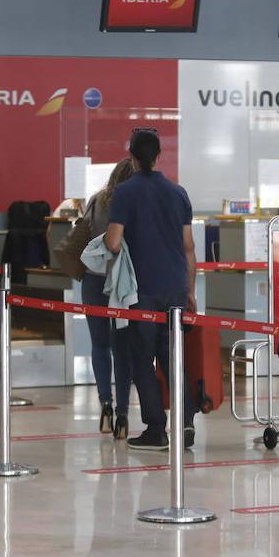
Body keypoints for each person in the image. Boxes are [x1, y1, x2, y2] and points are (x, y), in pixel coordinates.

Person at [105, 128, 198, 451]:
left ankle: (156, 429)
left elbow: (113, 242)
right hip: (175, 286)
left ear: (131, 157)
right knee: (173, 358)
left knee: (142, 359)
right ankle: (186, 422)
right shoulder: (178, 193)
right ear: (159, 156)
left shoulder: (125, 192)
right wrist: (190, 291)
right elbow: (188, 247)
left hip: (142, 291)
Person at [82, 159, 136, 439]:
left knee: (100, 344)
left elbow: (85, 233)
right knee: (122, 348)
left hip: (93, 279)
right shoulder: (135, 202)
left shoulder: (96, 200)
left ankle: (106, 404)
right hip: (123, 283)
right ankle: (124, 413)